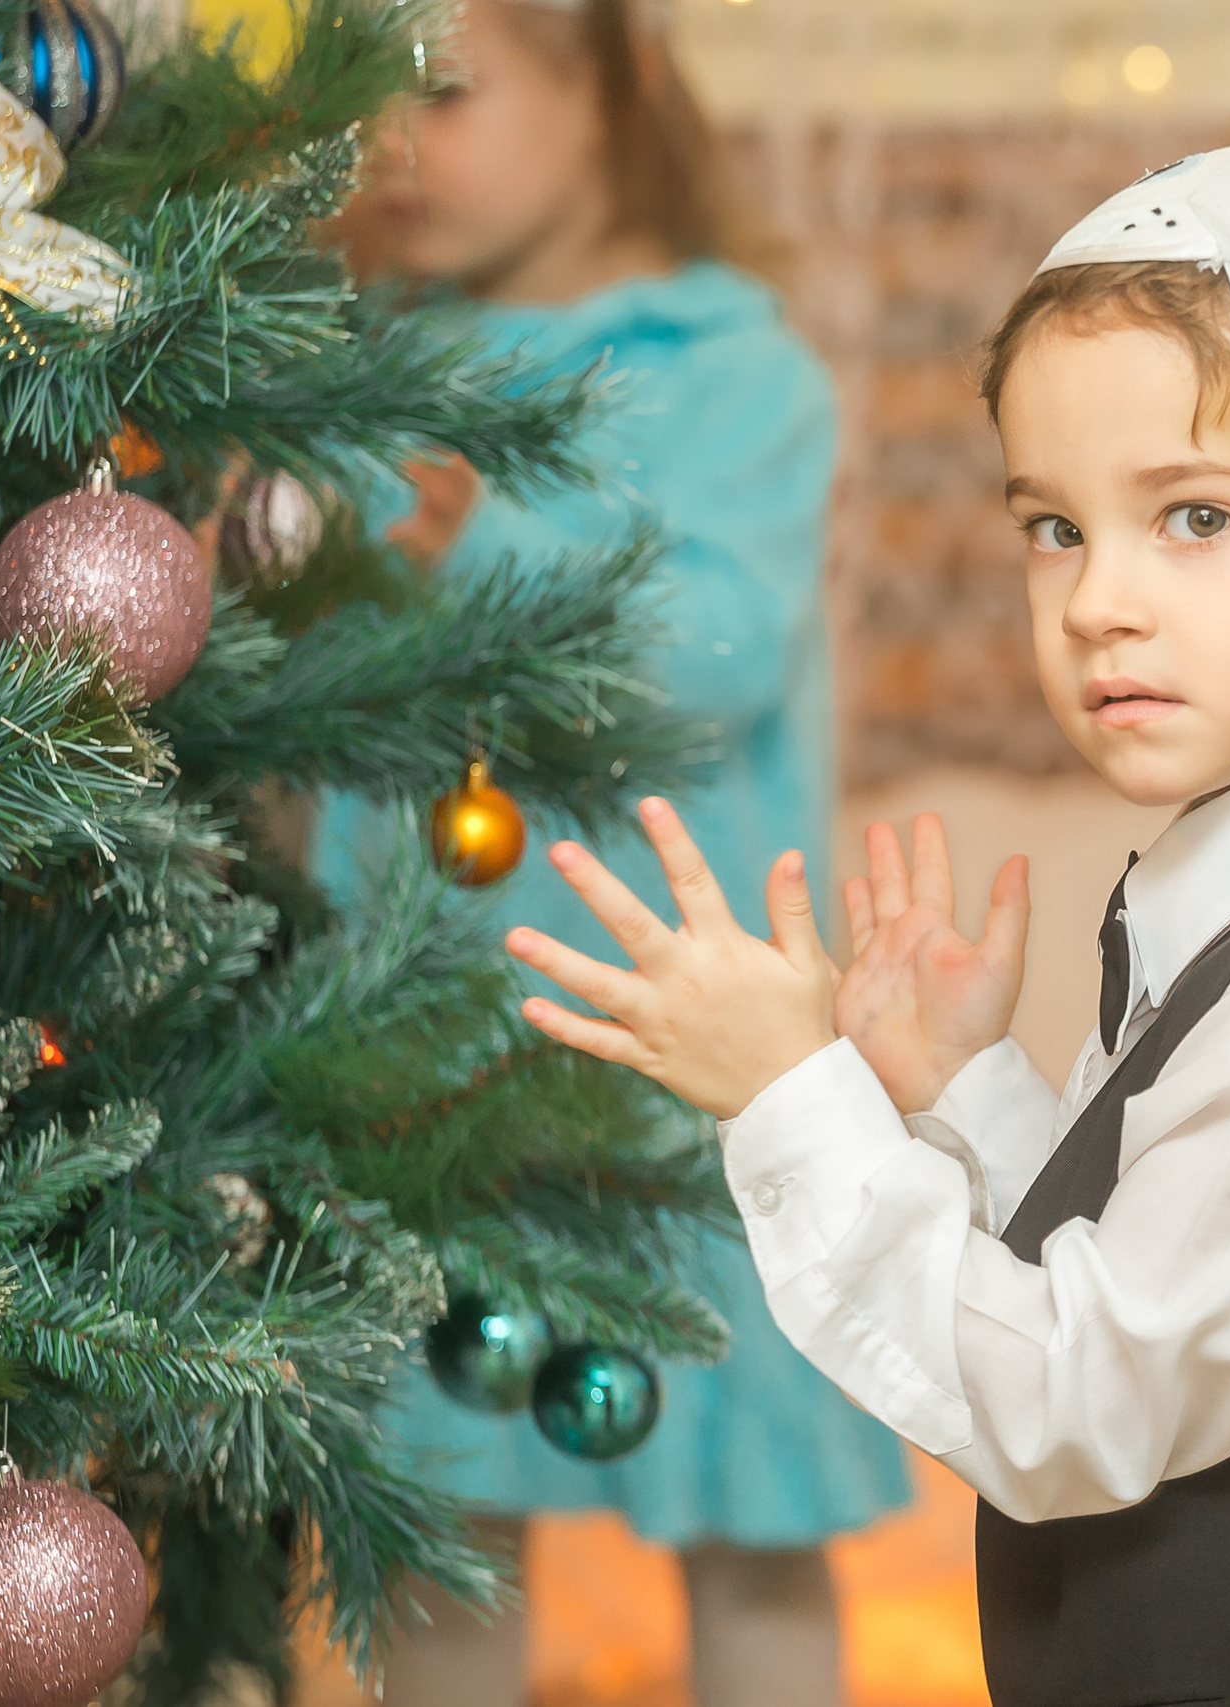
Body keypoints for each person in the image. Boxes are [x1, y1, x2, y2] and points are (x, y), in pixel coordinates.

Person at [502, 143, 1230, 1704]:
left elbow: (1076, 1404)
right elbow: (1207, 1279)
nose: (1098, 598)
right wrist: (966, 1098)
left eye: (1192, 518)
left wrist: (795, 1098)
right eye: (1055, 528)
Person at [309, 3, 910, 1704]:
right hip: (424, 1053)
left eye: (447, 89)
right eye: (371, 103)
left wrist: (488, 535)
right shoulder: (372, 370)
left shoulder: (735, 374)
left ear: (612, 86)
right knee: (445, 1509)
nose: (397, 141)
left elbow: (720, 654)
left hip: (686, 1064)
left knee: (755, 1516)